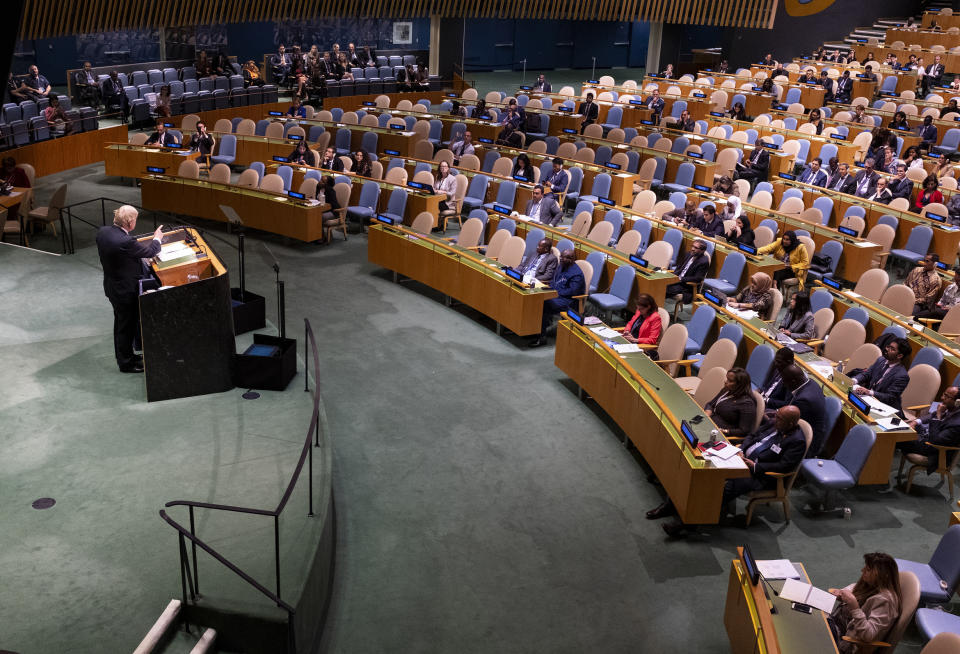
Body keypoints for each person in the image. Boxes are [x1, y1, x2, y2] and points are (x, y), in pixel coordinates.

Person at [646, 368, 761, 527]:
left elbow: (744, 430)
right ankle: (667, 480)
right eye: (726, 379)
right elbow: (711, 403)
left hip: (720, 440)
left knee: (690, 462)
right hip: (706, 428)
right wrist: (707, 413)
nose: (725, 382)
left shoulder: (747, 404)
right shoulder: (727, 391)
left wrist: (723, 431)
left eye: (730, 380)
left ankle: (670, 505)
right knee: (678, 441)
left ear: (739, 384)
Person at [95, 206, 164, 373]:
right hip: (124, 291)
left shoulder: (103, 232)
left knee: (122, 324)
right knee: (125, 326)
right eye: (135, 220)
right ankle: (126, 363)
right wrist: (157, 238)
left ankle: (128, 355)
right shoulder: (125, 241)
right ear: (130, 222)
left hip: (113, 286)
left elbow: (121, 254)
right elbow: (150, 250)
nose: (135, 222)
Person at [828, 552, 902, 654]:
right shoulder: (871, 585)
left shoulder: (885, 601)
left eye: (867, 570)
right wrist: (843, 593)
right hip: (835, 623)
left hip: (845, 641)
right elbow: (854, 587)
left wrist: (854, 606)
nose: (862, 570)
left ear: (881, 575)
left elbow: (869, 635)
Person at [898, 386, 960, 474]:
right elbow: (931, 415)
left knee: (896, 437)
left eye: (947, 397)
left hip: (933, 449)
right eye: (944, 394)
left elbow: (935, 441)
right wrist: (915, 422)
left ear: (958, 402)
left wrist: (938, 415)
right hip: (926, 436)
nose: (942, 398)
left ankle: (879, 473)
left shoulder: (957, 423)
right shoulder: (950, 409)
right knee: (900, 426)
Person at [529, 249, 585, 348]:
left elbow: (573, 292)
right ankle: (534, 330)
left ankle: (541, 337)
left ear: (571, 259)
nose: (561, 259)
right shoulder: (561, 266)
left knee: (543, 304)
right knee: (535, 298)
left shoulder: (576, 274)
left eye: (563, 257)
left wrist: (554, 292)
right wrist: (549, 289)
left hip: (569, 301)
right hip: (556, 295)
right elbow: (554, 281)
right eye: (561, 257)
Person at [779, 364, 828, 456]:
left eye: (784, 381)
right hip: (808, 433)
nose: (784, 385)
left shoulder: (803, 401)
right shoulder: (812, 383)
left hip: (807, 444)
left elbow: (789, 426)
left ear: (793, 381)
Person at [852, 338, 911, 410]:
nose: (887, 350)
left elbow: (890, 397)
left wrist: (869, 392)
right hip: (868, 399)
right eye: (888, 346)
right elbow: (867, 374)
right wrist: (854, 380)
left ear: (899, 356)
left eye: (892, 349)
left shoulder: (902, 376)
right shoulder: (881, 360)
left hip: (884, 407)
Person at [664, 239, 710, 304]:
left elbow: (697, 278)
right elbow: (679, 267)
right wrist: (672, 276)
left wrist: (681, 279)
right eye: (692, 246)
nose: (692, 249)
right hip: (677, 280)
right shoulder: (688, 254)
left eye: (696, 248)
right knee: (660, 282)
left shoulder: (704, 262)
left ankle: (655, 305)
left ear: (702, 251)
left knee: (664, 288)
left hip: (686, 286)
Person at [316, 176, 341, 245]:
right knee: (312, 214)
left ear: (327, 184)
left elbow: (333, 205)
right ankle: (315, 236)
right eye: (320, 179)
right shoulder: (318, 187)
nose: (320, 181)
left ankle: (321, 237)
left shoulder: (331, 191)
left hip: (333, 212)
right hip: (322, 210)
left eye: (323, 181)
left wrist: (324, 206)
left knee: (319, 217)